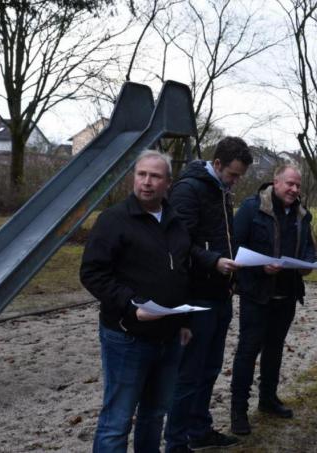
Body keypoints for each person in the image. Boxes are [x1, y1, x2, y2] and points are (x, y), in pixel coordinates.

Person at [80, 151, 193, 453]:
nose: (147, 182)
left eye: (155, 176)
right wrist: (131, 305)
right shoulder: (113, 219)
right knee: (116, 422)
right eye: (141, 174)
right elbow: (92, 273)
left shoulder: (176, 222)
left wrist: (184, 321)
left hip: (169, 337)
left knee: (155, 415)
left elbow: (182, 272)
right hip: (126, 337)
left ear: (168, 183)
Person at [164, 137, 253, 452]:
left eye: (239, 176)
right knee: (189, 374)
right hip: (197, 296)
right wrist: (213, 260)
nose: (235, 181)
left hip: (220, 293)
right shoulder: (188, 191)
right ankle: (176, 442)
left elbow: (221, 238)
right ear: (217, 164)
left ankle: (199, 430)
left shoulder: (221, 190)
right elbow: (179, 244)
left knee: (210, 369)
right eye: (233, 174)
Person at [229, 164, 316, 435]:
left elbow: (308, 248)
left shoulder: (302, 214)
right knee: (247, 351)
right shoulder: (251, 208)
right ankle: (238, 411)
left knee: (275, 349)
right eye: (289, 183)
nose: (294, 189)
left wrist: (307, 264)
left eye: (298, 185)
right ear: (275, 182)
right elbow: (234, 247)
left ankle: (267, 399)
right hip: (257, 294)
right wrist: (260, 268)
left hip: (287, 294)